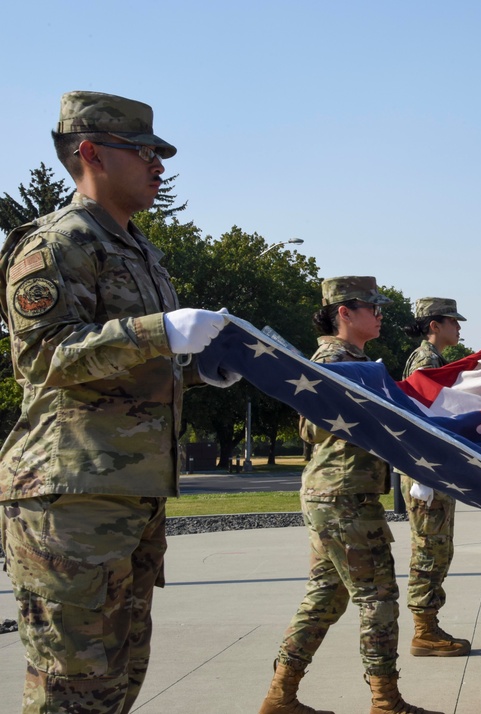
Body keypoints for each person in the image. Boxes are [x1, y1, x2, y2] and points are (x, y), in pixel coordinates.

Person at [0, 91, 233, 714]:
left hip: (131, 492)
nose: (159, 164)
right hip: (69, 496)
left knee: (119, 679)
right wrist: (161, 332)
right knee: (71, 687)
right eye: (144, 151)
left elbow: (132, 371)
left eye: (160, 153)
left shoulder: (141, 253)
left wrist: (202, 368)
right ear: (90, 153)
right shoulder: (56, 243)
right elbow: (45, 356)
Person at [259, 276, 441, 714]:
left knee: (326, 595)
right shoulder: (334, 360)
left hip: (341, 493)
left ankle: (280, 697)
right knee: (378, 598)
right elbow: (312, 428)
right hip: (344, 496)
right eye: (371, 307)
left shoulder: (352, 359)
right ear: (344, 312)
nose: (380, 315)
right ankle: (386, 701)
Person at [398, 297, 472, 657]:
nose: (458, 328)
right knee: (430, 548)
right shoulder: (426, 360)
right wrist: (421, 473)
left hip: (430, 467)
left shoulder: (432, 358)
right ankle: (424, 630)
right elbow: (418, 415)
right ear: (434, 325)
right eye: (452, 322)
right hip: (425, 469)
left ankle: (427, 624)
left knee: (437, 547)